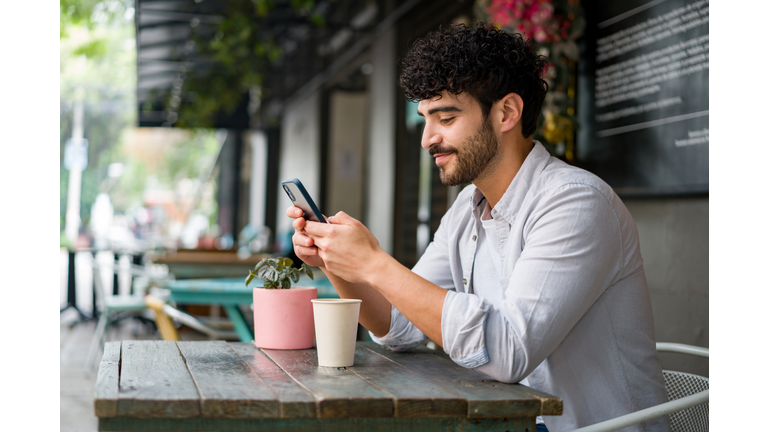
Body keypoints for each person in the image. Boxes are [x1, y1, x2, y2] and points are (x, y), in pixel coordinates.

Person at [287, 23, 669, 432]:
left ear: (506, 113)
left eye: (446, 118)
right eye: (425, 120)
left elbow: (507, 351)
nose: (427, 139)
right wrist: (337, 258)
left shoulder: (575, 202)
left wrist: (375, 264)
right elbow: (398, 326)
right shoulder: (466, 209)